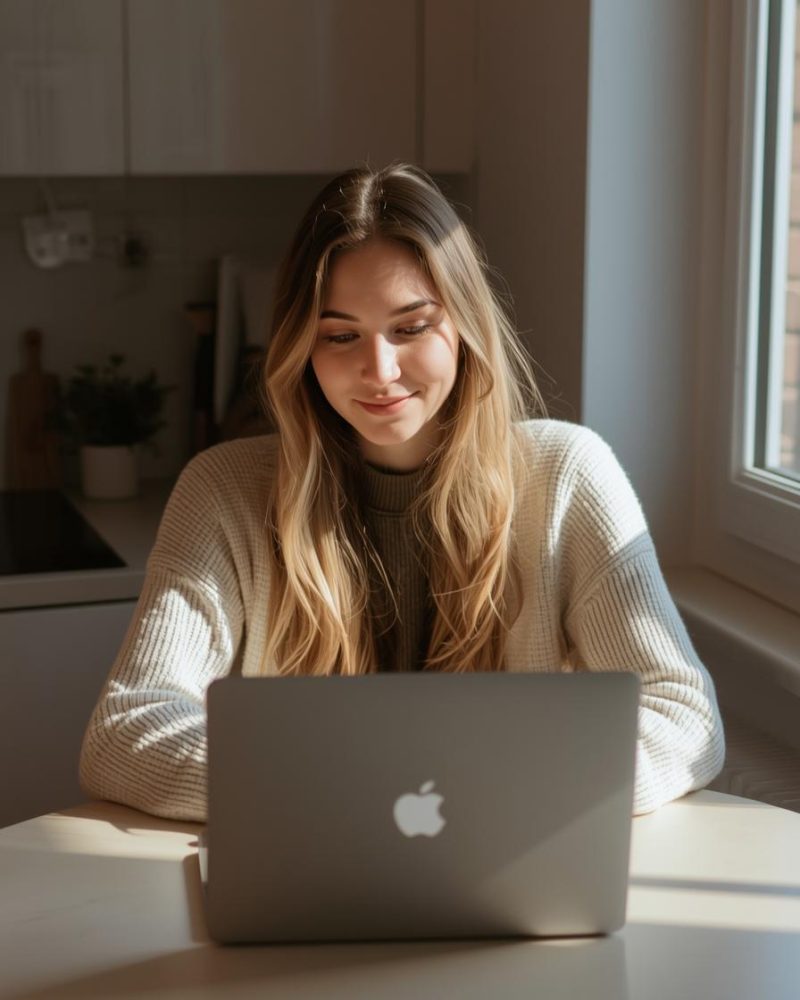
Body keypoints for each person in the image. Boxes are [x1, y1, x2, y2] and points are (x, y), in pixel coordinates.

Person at [80, 163, 725, 822]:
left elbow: (683, 716)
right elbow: (123, 735)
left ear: (465, 325)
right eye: (340, 336)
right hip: (310, 889)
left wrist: (504, 795)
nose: (380, 370)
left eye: (411, 327)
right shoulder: (221, 490)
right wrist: (368, 797)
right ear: (302, 347)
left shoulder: (568, 477)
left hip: (499, 877)